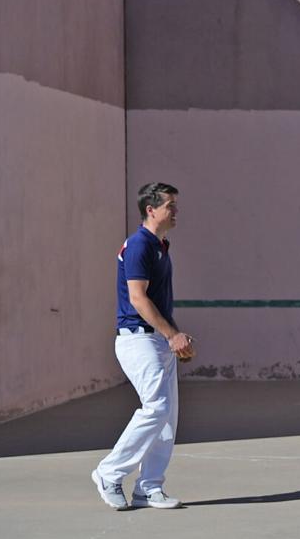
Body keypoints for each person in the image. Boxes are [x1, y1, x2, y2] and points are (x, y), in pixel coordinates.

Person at [92, 182, 195, 510]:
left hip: (158, 340)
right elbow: (138, 298)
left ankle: (149, 487)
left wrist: (176, 337)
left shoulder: (161, 246)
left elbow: (159, 303)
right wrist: (171, 335)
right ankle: (109, 472)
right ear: (151, 209)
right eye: (170, 205)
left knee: (168, 417)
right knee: (157, 408)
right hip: (138, 340)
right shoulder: (139, 245)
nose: (175, 211)